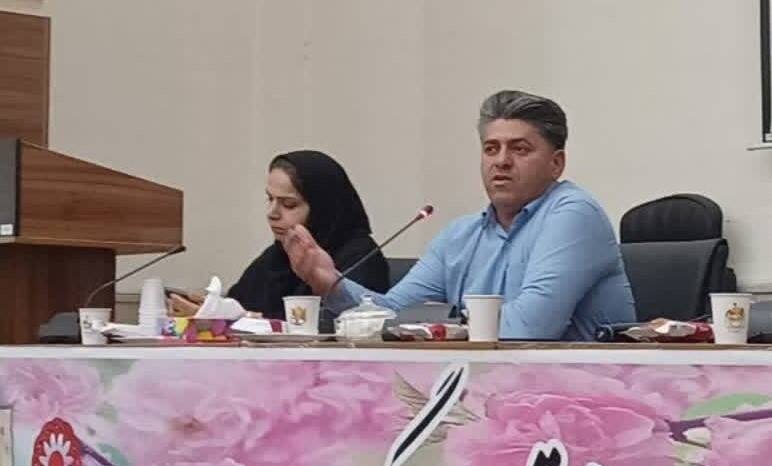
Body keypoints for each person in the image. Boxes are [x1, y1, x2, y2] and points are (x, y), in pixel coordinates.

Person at [283, 91, 636, 341]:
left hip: (579, 397)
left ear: (556, 163)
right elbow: (392, 316)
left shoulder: (574, 215)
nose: (501, 161)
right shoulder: (460, 235)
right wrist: (329, 281)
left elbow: (530, 329)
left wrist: (437, 328)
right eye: (491, 149)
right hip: (485, 389)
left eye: (520, 149)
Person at [168, 150, 388, 319]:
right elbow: (240, 305)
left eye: (288, 204)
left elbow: (328, 329)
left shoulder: (361, 258)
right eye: (270, 199)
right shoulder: (275, 257)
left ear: (324, 208)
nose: (272, 213)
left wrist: (232, 318)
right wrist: (208, 310)